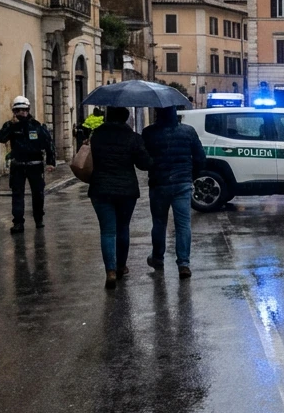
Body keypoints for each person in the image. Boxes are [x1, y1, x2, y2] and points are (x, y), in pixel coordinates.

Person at [88, 107, 151, 289]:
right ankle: (121, 266)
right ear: (126, 118)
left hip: (100, 188)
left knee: (107, 231)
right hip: (126, 190)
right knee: (123, 228)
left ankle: (110, 271)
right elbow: (144, 164)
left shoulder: (97, 136)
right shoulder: (133, 137)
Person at [142, 106, 206, 278]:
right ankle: (183, 264)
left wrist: (153, 167)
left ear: (158, 114)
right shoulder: (188, 132)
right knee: (183, 225)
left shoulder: (148, 133)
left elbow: (143, 160)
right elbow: (201, 157)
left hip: (159, 184)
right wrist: (191, 175)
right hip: (182, 183)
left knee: (159, 223)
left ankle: (157, 258)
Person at [0, 96, 55, 234]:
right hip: (18, 165)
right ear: (14, 112)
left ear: (28, 110)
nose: (21, 113)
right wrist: (10, 125)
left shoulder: (36, 125)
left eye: (24, 110)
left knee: (38, 194)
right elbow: (0, 138)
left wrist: (51, 162)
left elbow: (48, 144)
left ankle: (38, 218)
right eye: (18, 110)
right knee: (17, 194)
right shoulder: (10, 126)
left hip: (35, 165)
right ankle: (18, 223)